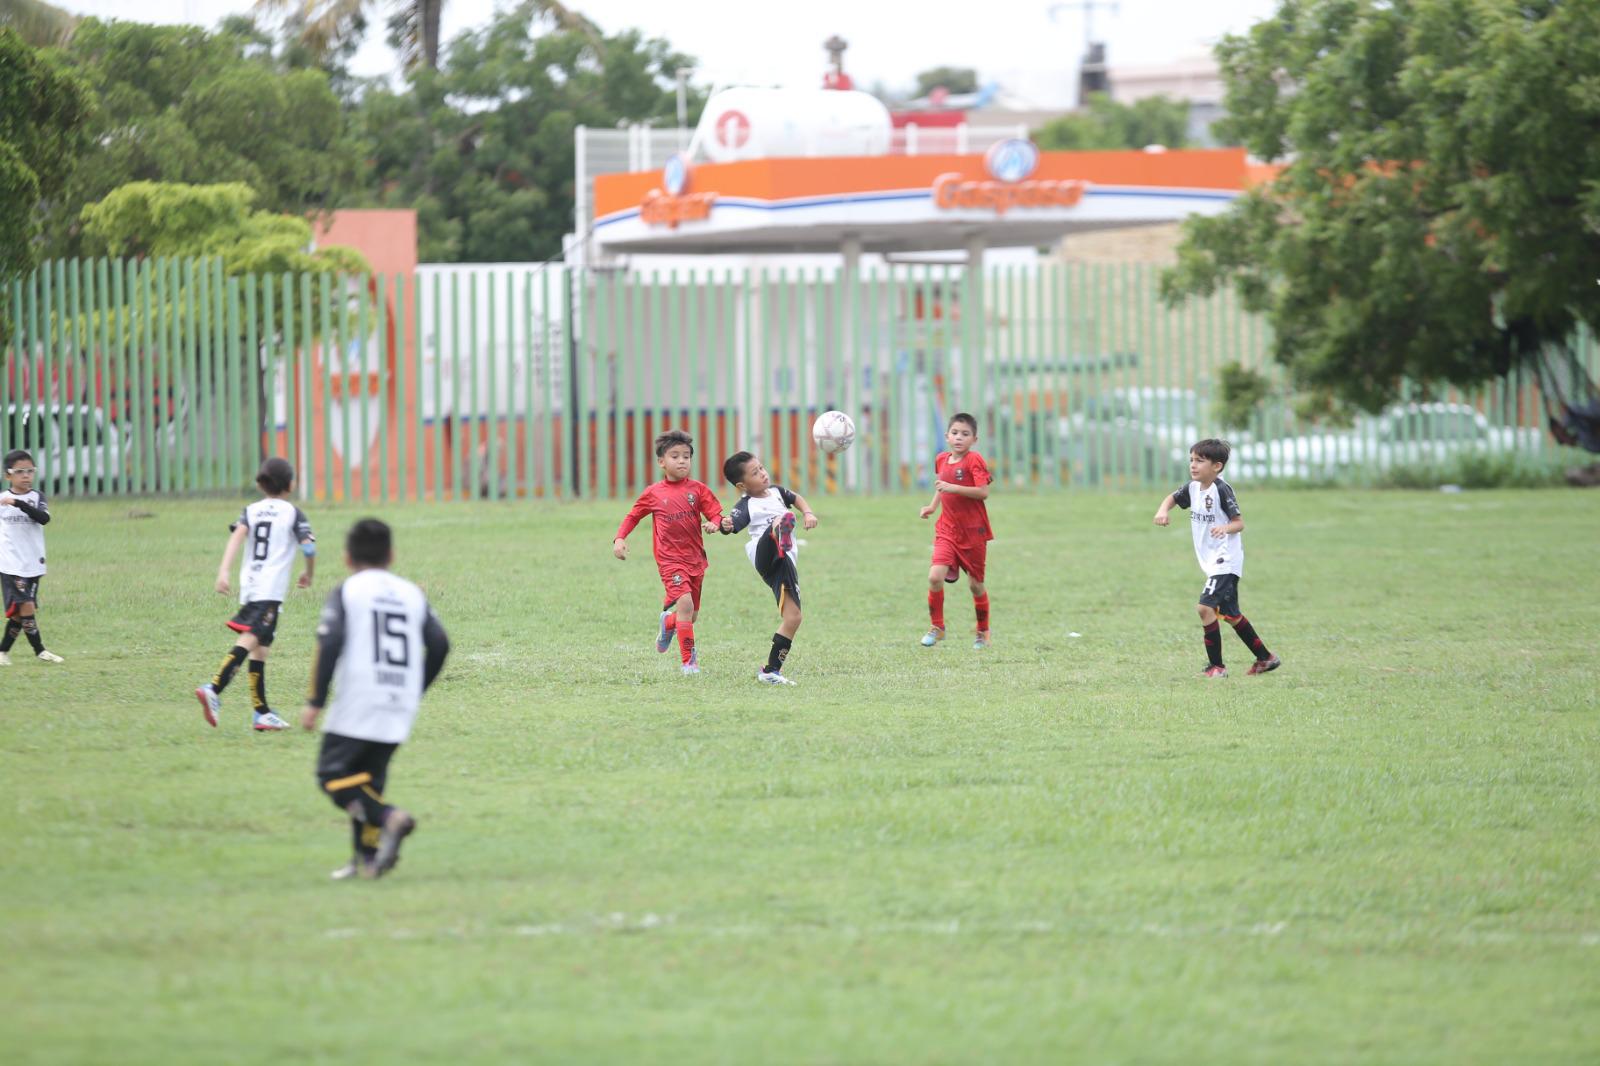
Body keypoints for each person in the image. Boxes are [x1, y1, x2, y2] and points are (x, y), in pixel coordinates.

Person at [301, 518, 450, 880]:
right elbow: (441, 643)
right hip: (399, 702)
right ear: (392, 555)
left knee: (331, 775)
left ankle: (389, 818)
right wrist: (415, 688)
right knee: (368, 781)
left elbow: (330, 641)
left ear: (347, 558)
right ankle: (366, 861)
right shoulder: (411, 592)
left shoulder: (347, 590)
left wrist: (315, 701)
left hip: (359, 700)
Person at [194, 457, 314, 731]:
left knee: (261, 649)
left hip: (251, 584)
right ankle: (214, 687)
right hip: (270, 589)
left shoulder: (251, 510)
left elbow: (236, 537)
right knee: (251, 639)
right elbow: (308, 548)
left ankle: (261, 712)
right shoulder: (293, 513)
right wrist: (309, 573)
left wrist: (223, 572)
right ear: (290, 484)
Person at [1152, 438, 1282, 678]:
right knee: (1231, 614)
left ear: (1217, 466)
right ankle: (1265, 658)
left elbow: (1239, 523)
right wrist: (1162, 510)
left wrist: (1225, 528)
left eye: (1200, 461)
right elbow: (1171, 498)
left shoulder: (1221, 489)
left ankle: (1217, 667)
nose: (1193, 465)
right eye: (1191, 459)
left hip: (1225, 560)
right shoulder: (1192, 488)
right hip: (1212, 562)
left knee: (1205, 608)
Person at [612, 430, 723, 675]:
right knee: (684, 604)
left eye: (686, 456)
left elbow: (715, 512)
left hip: (695, 559)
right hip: (670, 560)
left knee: (690, 616)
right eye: (675, 456)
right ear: (662, 462)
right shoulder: (653, 493)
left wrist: (715, 522)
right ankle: (689, 663)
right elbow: (633, 516)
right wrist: (620, 538)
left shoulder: (698, 490)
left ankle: (668, 623)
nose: (682, 461)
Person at [718, 451, 817, 685]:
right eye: (755, 473)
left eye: (761, 468)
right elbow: (731, 525)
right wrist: (723, 525)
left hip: (785, 564)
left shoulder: (777, 492)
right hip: (764, 556)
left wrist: (808, 512)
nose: (763, 474)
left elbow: (796, 497)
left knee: (793, 618)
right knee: (779, 521)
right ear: (742, 485)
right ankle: (778, 531)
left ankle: (771, 671)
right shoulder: (746, 505)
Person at [918, 413, 994, 649]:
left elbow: (983, 492)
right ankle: (937, 627)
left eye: (965, 434)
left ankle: (983, 631)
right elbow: (942, 486)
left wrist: (953, 487)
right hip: (947, 530)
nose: (959, 438)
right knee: (934, 577)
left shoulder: (974, 460)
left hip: (974, 532)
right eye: (955, 433)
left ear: (974, 439)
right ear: (946, 436)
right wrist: (932, 506)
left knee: (975, 585)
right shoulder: (941, 459)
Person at [0, 450, 63, 665]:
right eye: (20, 472)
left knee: (19, 613)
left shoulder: (36, 497)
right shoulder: (1, 500)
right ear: (8, 475)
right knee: (26, 605)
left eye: (30, 471)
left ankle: (2, 652)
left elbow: (43, 518)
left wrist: (18, 503)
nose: (25, 475)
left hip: (34, 562)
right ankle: (40, 651)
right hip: (11, 564)